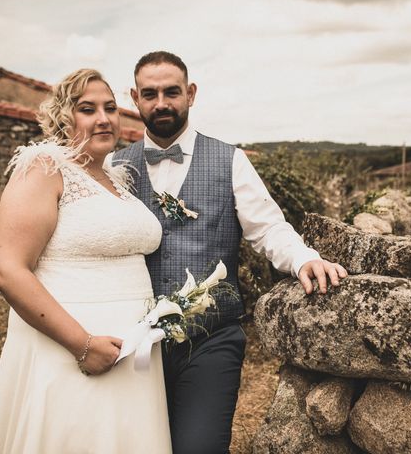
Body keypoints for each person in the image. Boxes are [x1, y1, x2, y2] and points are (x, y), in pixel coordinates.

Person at [112, 51, 347, 454]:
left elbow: (268, 227)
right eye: (149, 94)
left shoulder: (231, 160)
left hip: (211, 338)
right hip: (132, 342)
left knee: (199, 446)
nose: (161, 103)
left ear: (191, 93)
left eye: (172, 92)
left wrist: (304, 257)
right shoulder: (113, 166)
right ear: (134, 97)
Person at [0, 68, 172, 453]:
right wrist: (83, 345)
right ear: (63, 118)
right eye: (87, 109)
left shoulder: (118, 180)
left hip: (132, 353)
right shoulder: (44, 169)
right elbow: (7, 269)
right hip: (73, 352)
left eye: (110, 108)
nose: (104, 118)